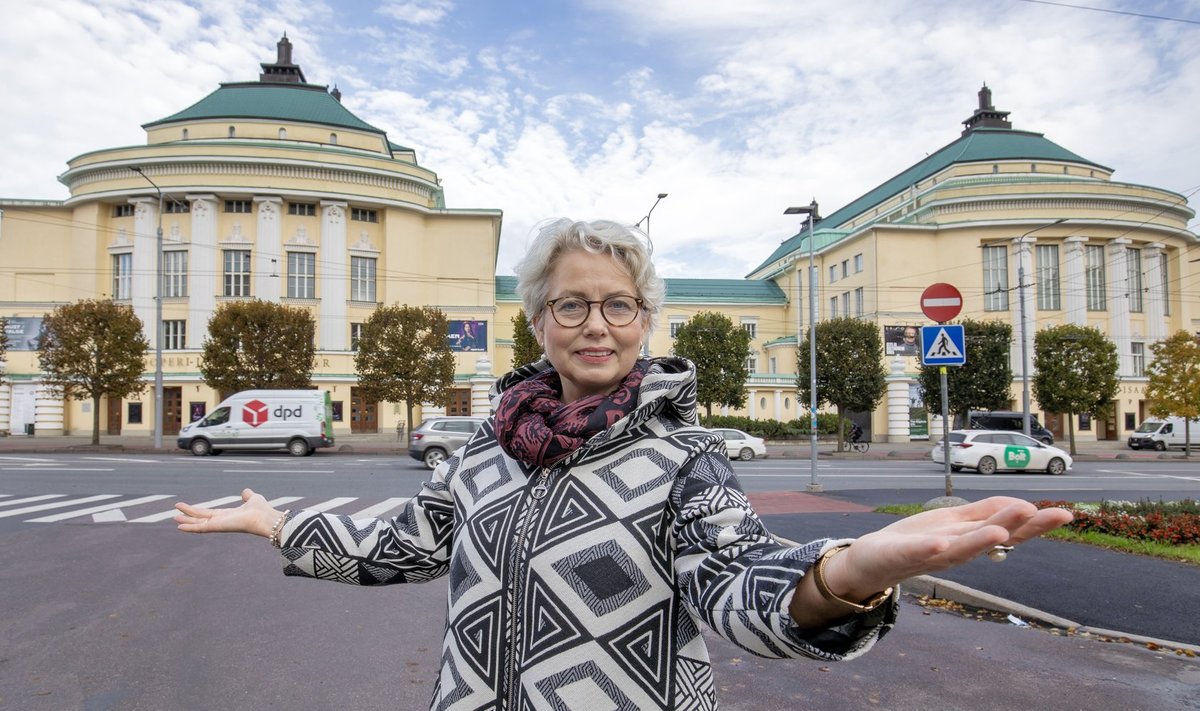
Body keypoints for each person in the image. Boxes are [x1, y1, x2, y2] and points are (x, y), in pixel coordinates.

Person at [175, 218, 1072, 710]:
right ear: (539, 321)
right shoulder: (484, 450)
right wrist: (278, 522)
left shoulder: (685, 460)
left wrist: (842, 577)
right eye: (572, 305)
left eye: (619, 305)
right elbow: (399, 546)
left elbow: (732, 586)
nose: (595, 324)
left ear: (645, 322)